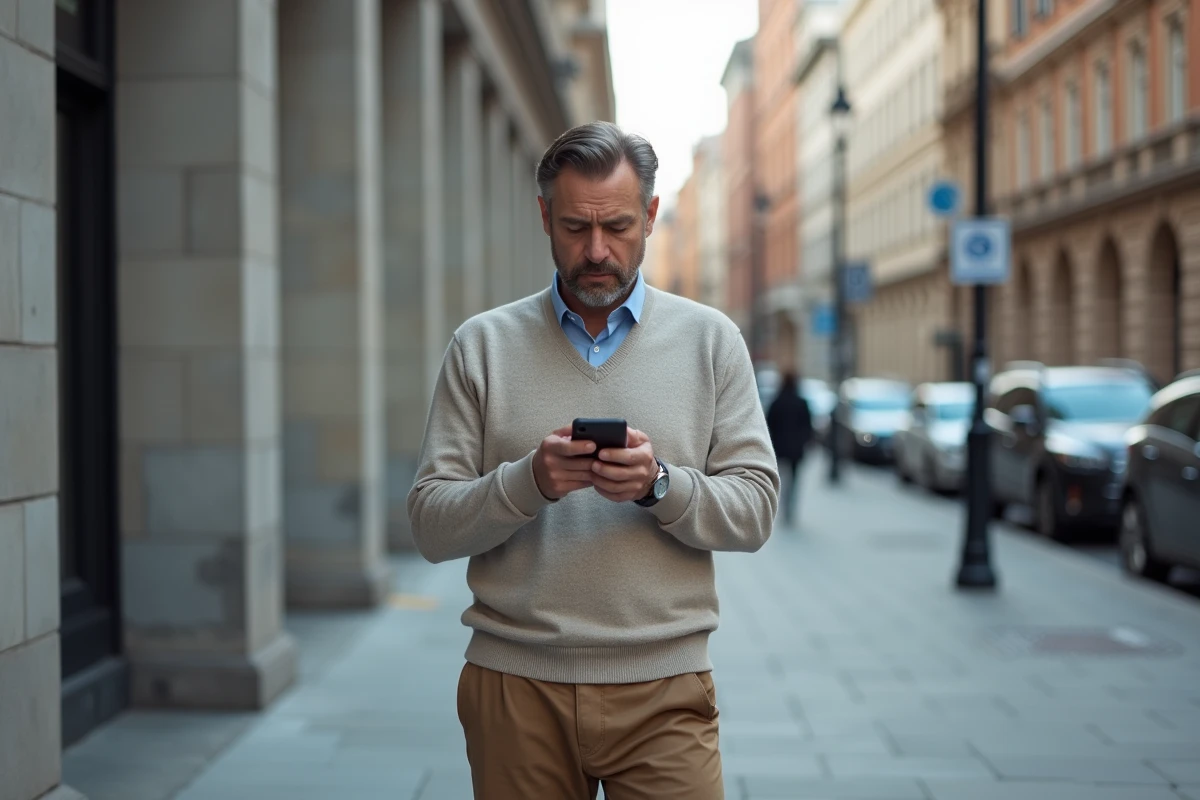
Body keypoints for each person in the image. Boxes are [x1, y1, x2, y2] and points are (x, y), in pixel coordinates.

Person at [407, 121, 779, 799]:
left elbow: (754, 513)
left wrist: (660, 485)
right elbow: (431, 525)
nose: (598, 251)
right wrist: (530, 482)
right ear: (545, 216)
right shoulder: (481, 346)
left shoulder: (711, 342)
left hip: (666, 687)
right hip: (515, 686)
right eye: (576, 227)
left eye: (619, 227)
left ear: (653, 215)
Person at [766, 372, 813, 526]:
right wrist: (804, 442)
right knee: (794, 479)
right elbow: (808, 426)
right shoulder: (801, 402)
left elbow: (768, 425)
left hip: (778, 447)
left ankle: (779, 505)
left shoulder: (776, 401)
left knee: (777, 479)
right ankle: (790, 508)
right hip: (796, 448)